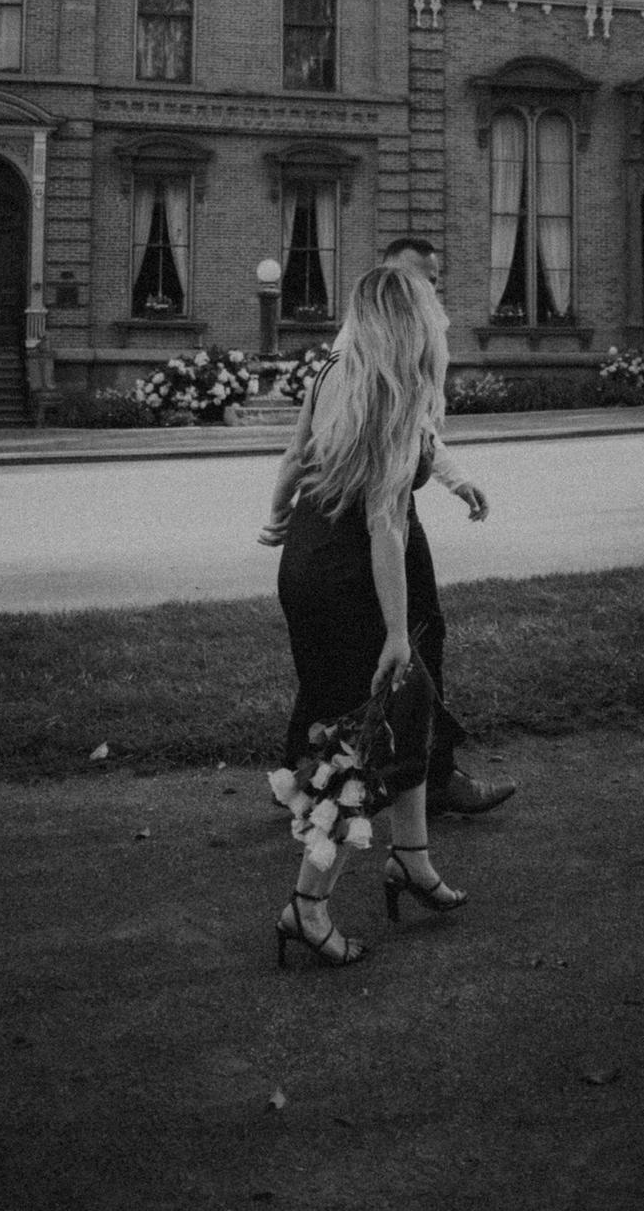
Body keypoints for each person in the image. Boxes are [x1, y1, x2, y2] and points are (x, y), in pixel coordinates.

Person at [262, 264, 469, 968]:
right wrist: (395, 633)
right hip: (351, 574)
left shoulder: (331, 373)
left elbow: (295, 455)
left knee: (410, 704)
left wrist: (276, 518)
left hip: (307, 560)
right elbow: (386, 525)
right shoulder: (395, 395)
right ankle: (308, 905)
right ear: (415, 324)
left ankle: (412, 857)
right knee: (361, 737)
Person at [378, 238, 517, 816]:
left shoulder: (400, 338)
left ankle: (419, 774)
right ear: (389, 277)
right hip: (378, 513)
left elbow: (422, 432)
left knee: (414, 636)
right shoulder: (372, 343)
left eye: (435, 280)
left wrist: (457, 481)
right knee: (411, 637)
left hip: (384, 511)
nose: (431, 292)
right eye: (421, 279)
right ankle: (425, 781)